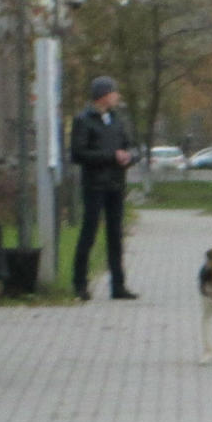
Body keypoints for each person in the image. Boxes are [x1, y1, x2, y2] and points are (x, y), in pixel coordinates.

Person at [70, 76, 138, 301]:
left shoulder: (117, 120)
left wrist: (129, 157)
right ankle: (80, 284)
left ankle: (118, 285)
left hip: (116, 184)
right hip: (95, 185)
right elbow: (78, 153)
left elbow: (128, 146)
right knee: (89, 233)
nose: (117, 97)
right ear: (103, 95)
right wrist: (111, 156)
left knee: (115, 235)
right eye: (114, 93)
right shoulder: (84, 120)